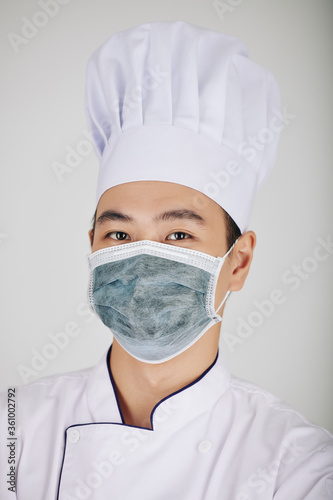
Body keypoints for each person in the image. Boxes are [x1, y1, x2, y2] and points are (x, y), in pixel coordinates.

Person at [1, 20, 332, 500]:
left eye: (178, 234)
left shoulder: (297, 465)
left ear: (238, 262)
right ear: (92, 247)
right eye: (119, 233)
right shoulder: (15, 430)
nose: (141, 261)